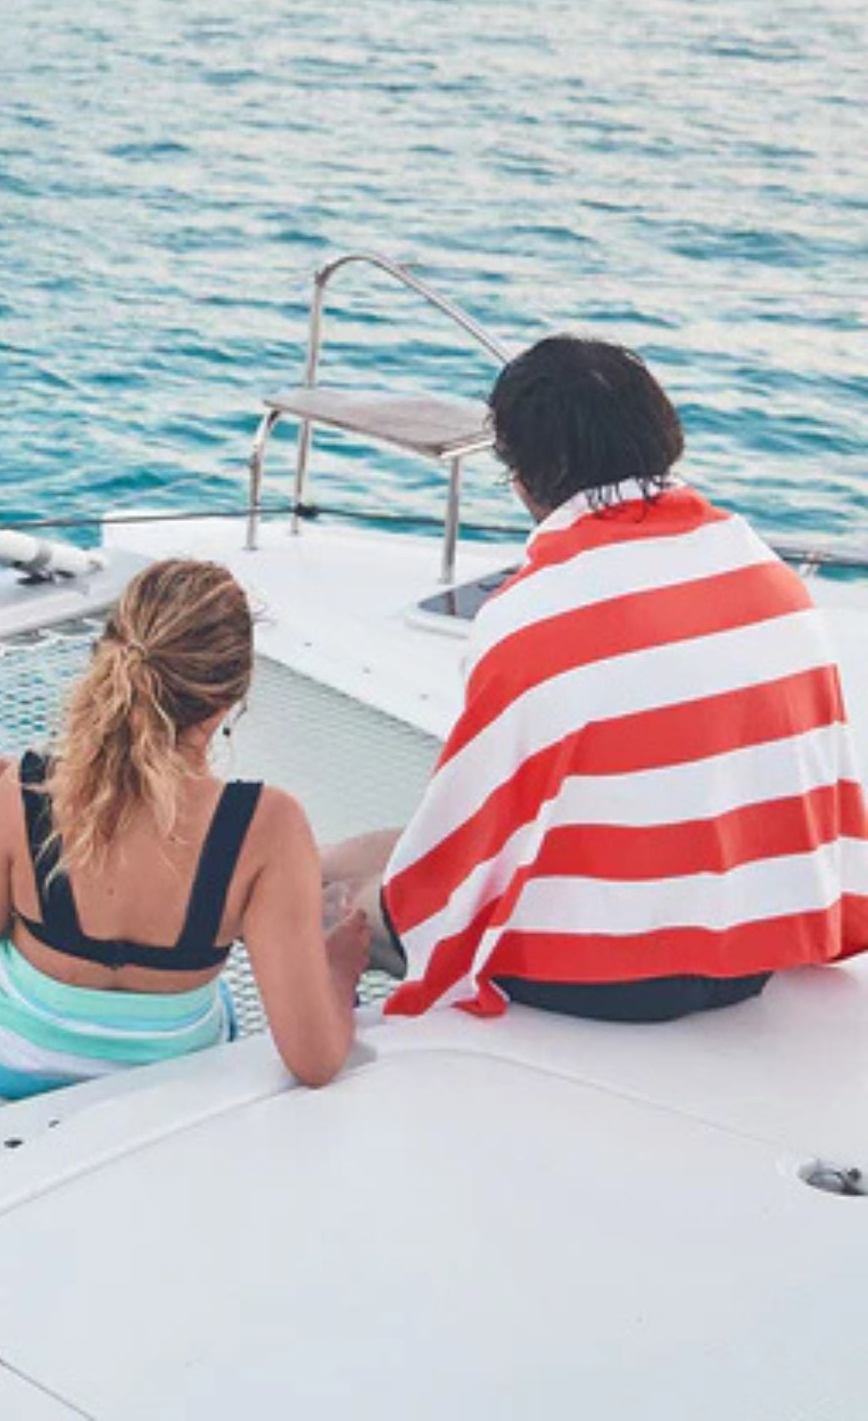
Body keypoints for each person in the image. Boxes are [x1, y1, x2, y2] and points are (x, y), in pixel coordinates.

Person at [328, 334, 868, 1021]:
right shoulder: (768, 578)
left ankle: (292, 1022)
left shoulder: (529, 615)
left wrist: (378, 904)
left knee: (355, 902)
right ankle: (270, 866)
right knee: (391, 852)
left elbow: (466, 847)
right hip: (750, 954)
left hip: (595, 975)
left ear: (526, 476)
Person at [0, 559, 370, 1096]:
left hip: (8, 1061)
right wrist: (335, 976)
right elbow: (314, 1061)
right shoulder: (270, 827)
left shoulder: (29, 789)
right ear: (228, 699)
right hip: (171, 1068)